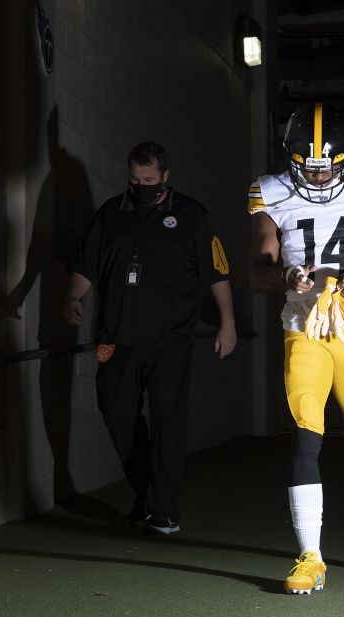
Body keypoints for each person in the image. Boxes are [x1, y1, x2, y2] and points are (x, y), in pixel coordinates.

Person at [247, 102, 344, 594]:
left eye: (326, 166)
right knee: (304, 437)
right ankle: (310, 555)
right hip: (303, 329)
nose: (316, 177)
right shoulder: (270, 193)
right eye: (307, 166)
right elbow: (257, 271)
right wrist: (287, 277)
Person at [65, 141, 237, 535]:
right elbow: (86, 265)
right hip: (116, 339)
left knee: (167, 423)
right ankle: (147, 492)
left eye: (149, 179)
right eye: (134, 179)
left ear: (165, 176)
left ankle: (165, 509)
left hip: (170, 341)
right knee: (116, 414)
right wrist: (73, 295)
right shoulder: (111, 214)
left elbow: (218, 273)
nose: (141, 185)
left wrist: (227, 323)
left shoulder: (192, 216)